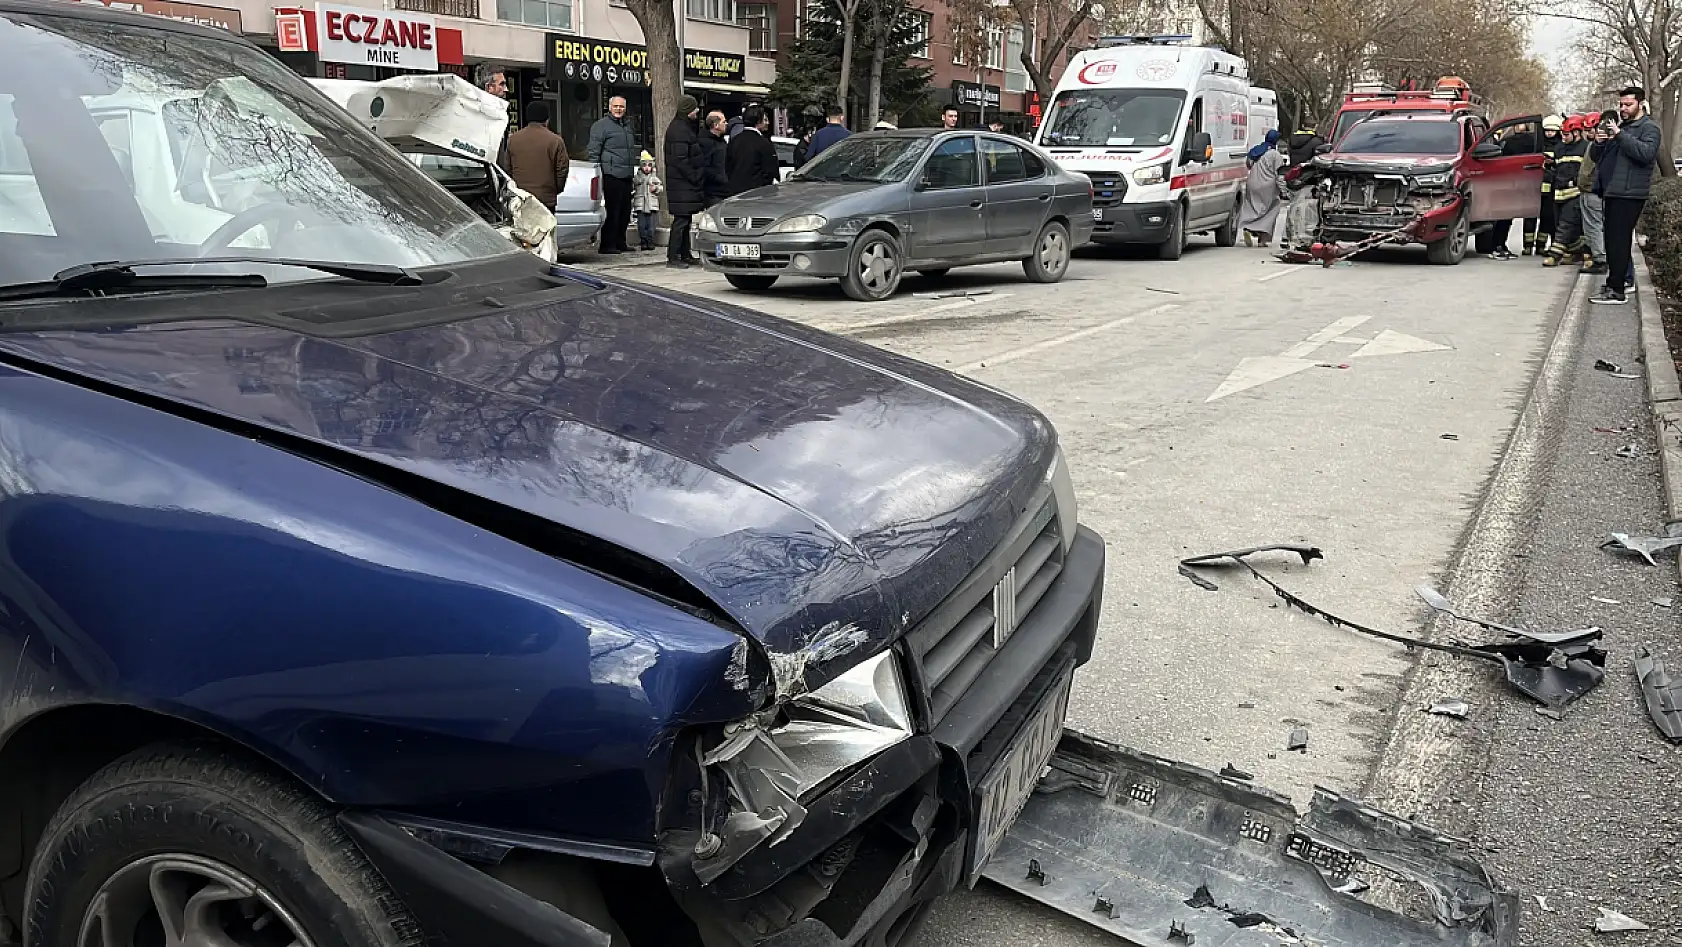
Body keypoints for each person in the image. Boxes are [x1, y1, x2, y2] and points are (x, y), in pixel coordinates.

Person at [1589, 87, 1663, 305]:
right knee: (1612, 242)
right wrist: (1600, 141)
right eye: (1621, 104)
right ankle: (1614, 283)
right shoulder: (1622, 127)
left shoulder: (1649, 128)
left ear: (1641, 104)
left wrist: (1620, 135)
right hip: (1613, 191)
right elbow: (1597, 158)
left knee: (1619, 242)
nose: (1623, 109)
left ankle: (1617, 290)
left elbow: (1646, 154)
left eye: (1628, 105)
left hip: (1630, 193)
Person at [587, 95, 637, 255]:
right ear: (609, 107)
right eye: (616, 106)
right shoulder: (601, 126)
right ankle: (608, 244)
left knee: (625, 211)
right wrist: (596, 172)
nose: (618, 109)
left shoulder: (628, 126)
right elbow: (593, 151)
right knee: (612, 211)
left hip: (626, 175)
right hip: (610, 174)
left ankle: (620, 241)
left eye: (621, 106)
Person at [498, 100, 568, 211]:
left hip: (520, 198)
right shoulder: (556, 141)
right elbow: (562, 170)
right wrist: (554, 189)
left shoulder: (513, 139)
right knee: (545, 228)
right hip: (545, 199)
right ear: (547, 120)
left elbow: (508, 169)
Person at [663, 95, 705, 268]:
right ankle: (673, 257)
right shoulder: (679, 130)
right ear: (688, 110)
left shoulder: (683, 127)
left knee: (685, 220)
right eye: (695, 109)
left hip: (683, 183)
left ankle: (685, 253)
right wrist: (694, 176)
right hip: (682, 183)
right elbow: (681, 160)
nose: (697, 112)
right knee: (681, 221)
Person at [1543, 116, 1587, 268]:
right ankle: (1578, 252)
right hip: (1558, 194)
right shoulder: (1559, 148)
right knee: (1564, 226)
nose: (1563, 137)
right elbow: (1555, 168)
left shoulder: (1586, 148)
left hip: (1575, 193)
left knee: (1566, 224)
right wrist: (1548, 166)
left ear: (1577, 133)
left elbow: (1588, 171)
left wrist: (1574, 181)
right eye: (1562, 134)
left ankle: (1554, 255)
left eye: (1566, 134)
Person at [1577, 110, 1615, 275]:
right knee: (1593, 226)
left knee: (1594, 226)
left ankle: (1600, 259)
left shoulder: (1602, 146)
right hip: (1589, 191)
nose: (1589, 132)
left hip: (1593, 192)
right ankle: (1600, 256)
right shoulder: (1594, 145)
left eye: (1591, 129)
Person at [1238, 128, 1284, 246]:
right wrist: (1284, 190)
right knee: (1272, 209)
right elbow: (1279, 173)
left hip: (1252, 183)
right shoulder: (1275, 155)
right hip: (1267, 186)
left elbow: (1248, 164)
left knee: (1252, 207)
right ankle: (1262, 239)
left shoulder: (1257, 150)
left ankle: (1248, 228)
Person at [726, 104, 779, 195]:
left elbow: (727, 166)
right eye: (765, 119)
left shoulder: (734, 140)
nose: (768, 123)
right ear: (758, 121)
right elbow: (770, 171)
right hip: (757, 194)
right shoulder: (763, 143)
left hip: (735, 193)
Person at [632, 150, 662, 251]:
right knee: (641, 225)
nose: (647, 168)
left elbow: (660, 187)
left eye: (649, 165)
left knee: (651, 226)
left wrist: (656, 188)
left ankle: (650, 241)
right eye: (644, 165)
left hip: (652, 205)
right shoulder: (637, 177)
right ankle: (643, 241)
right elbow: (634, 185)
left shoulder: (654, 177)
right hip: (640, 205)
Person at [699, 111, 730, 207]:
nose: (726, 124)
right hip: (713, 192)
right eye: (724, 122)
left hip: (724, 190)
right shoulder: (705, 143)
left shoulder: (721, 141)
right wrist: (720, 178)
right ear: (715, 125)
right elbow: (704, 167)